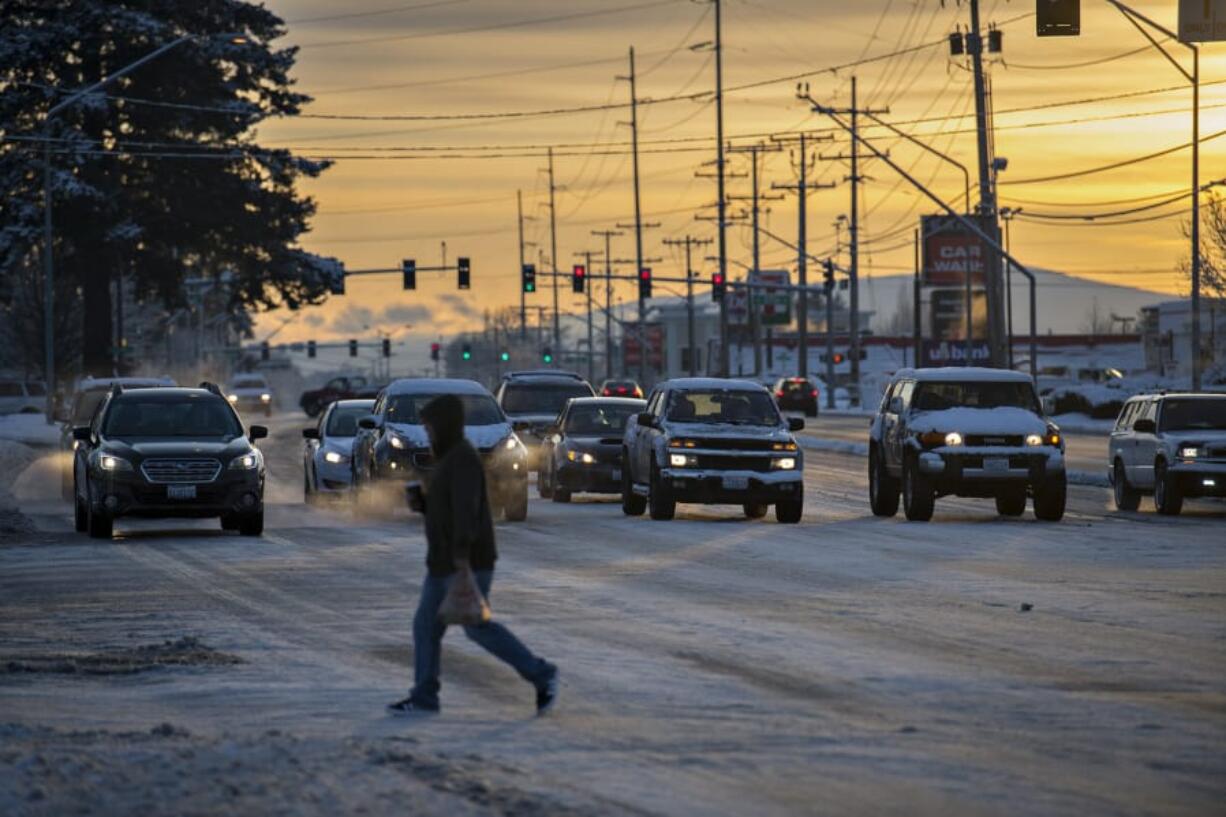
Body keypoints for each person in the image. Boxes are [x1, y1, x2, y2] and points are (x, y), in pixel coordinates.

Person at [388, 393, 558, 716]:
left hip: (462, 561)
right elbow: (448, 510)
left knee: (475, 628)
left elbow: (467, 511)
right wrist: (424, 504)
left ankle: (542, 674)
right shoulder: (451, 457)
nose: (428, 434)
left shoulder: (461, 459)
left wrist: (461, 558)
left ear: (445, 426)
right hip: (446, 560)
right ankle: (425, 695)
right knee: (429, 627)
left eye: (430, 427)